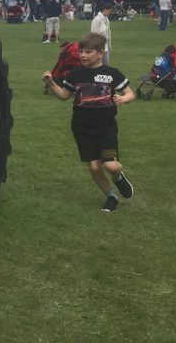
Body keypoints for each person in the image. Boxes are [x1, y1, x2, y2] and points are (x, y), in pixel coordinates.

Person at [42, 32, 135, 213]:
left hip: (106, 127)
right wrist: (52, 83)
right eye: (81, 52)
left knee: (111, 165)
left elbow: (131, 93)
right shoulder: (75, 74)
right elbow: (63, 96)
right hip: (81, 127)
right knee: (94, 166)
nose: (83, 55)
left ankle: (118, 176)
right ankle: (111, 197)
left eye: (88, 52)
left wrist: (123, 99)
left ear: (100, 53)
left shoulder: (111, 73)